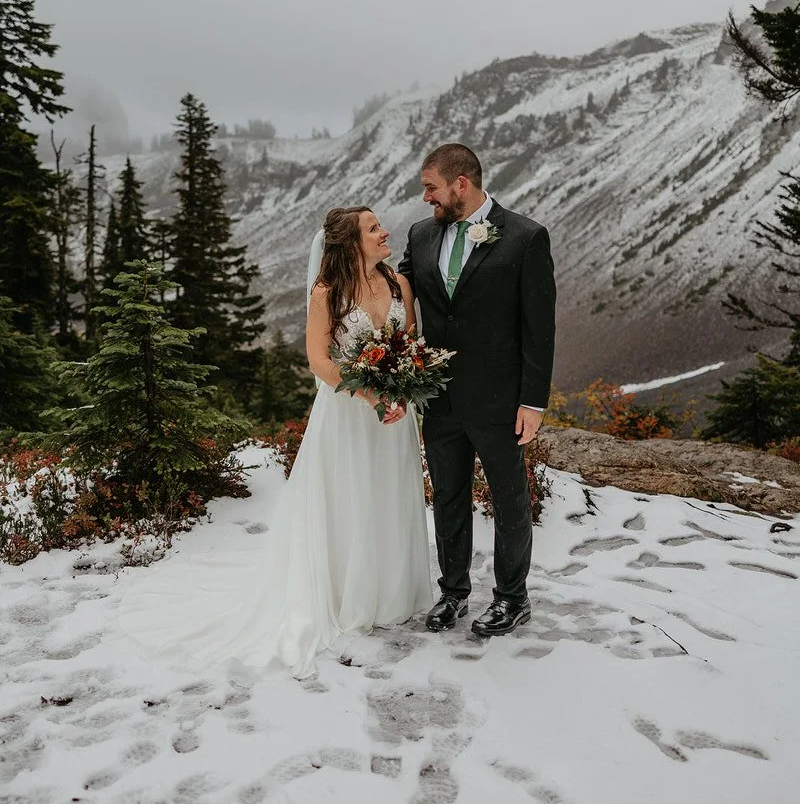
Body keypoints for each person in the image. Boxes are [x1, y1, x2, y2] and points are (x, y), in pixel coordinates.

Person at [117, 206, 432, 679]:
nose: (385, 231)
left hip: (393, 417)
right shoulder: (326, 293)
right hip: (347, 414)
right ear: (350, 244)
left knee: (388, 496)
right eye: (373, 228)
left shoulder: (398, 285)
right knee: (347, 498)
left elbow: (409, 345)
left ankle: (391, 592)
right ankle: (347, 594)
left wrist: (402, 393)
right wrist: (369, 395)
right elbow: (320, 363)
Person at [399, 143, 556, 637]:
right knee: (447, 495)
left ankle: (513, 598)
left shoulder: (526, 238)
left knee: (510, 498)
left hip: (500, 400)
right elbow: (398, 288)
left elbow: (540, 327)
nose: (426, 198)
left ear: (460, 183)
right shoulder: (421, 235)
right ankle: (454, 593)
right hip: (439, 398)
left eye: (431, 188)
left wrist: (533, 400)